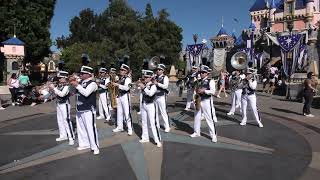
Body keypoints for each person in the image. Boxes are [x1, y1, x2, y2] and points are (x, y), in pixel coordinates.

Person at [70, 66, 100, 155]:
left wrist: (77, 85)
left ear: (88, 74)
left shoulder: (93, 84)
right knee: (81, 128)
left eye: (82, 73)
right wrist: (71, 83)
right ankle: (84, 144)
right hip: (80, 108)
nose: (81, 75)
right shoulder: (81, 82)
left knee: (91, 128)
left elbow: (86, 93)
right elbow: (72, 93)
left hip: (89, 109)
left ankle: (95, 146)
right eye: (81, 73)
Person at [190, 65, 218, 143]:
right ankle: (196, 132)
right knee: (196, 116)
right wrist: (194, 100)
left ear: (207, 73)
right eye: (201, 72)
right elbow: (195, 91)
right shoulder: (198, 81)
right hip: (198, 100)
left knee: (209, 118)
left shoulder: (210, 81)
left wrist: (204, 91)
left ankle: (213, 135)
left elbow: (213, 91)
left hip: (206, 101)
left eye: (203, 72)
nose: (201, 74)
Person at [49, 71, 75, 145]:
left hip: (65, 104)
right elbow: (55, 94)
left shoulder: (67, 86)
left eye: (60, 78)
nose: (59, 79)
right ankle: (63, 135)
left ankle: (71, 137)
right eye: (59, 78)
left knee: (66, 120)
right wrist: (51, 89)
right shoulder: (59, 85)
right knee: (60, 120)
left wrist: (54, 88)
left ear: (64, 78)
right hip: (59, 104)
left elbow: (62, 94)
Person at [138, 70, 162, 148]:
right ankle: (145, 137)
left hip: (151, 105)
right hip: (144, 105)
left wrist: (143, 87)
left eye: (146, 77)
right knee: (144, 122)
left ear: (150, 78)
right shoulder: (144, 85)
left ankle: (157, 140)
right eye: (144, 77)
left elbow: (150, 93)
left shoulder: (153, 86)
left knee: (153, 124)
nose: (145, 78)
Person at [112, 63, 133, 136]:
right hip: (120, 96)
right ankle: (119, 127)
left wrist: (118, 85)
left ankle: (130, 129)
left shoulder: (128, 79)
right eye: (121, 69)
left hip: (125, 96)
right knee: (119, 112)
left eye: (123, 70)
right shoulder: (120, 78)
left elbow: (127, 88)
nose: (121, 71)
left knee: (127, 113)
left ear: (126, 71)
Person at [153, 63, 171, 133]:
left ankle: (167, 126)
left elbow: (165, 86)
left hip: (161, 96)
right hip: (155, 96)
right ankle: (157, 125)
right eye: (157, 69)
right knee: (155, 112)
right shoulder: (155, 77)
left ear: (163, 70)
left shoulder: (165, 77)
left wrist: (157, 83)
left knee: (163, 112)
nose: (158, 71)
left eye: (160, 69)